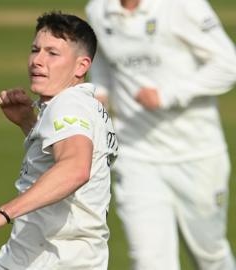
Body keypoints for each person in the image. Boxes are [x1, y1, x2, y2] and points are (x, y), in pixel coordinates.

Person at [0, 11, 118, 269]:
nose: (37, 61)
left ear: (82, 66)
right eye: (35, 50)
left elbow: (76, 169)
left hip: (52, 259)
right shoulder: (84, 105)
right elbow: (59, 158)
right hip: (47, 255)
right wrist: (28, 123)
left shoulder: (68, 104)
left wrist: (2, 213)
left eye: (52, 53)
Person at [85, 0, 236, 269]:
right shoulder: (98, 10)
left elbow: (228, 65)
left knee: (209, 255)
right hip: (135, 153)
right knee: (149, 261)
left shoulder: (183, 6)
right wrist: (99, 97)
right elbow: (103, 65)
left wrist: (168, 95)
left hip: (197, 154)